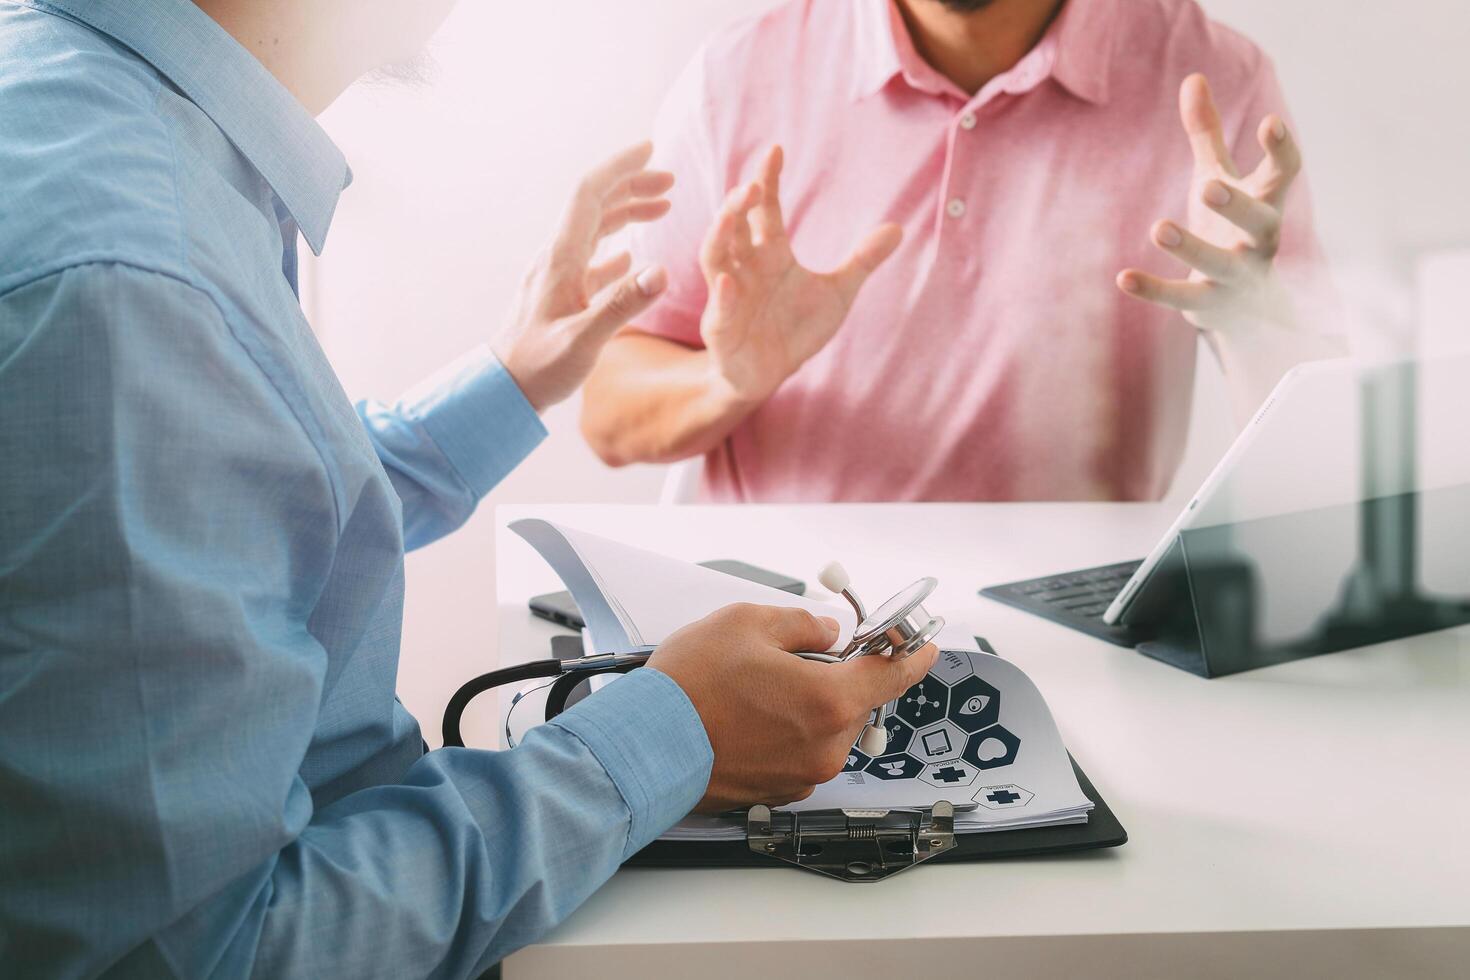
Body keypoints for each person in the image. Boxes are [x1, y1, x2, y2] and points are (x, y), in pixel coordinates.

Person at [0, 1, 937, 976]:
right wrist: (673, 732)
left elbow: (227, 520)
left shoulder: (98, 127)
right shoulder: (133, 284)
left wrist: (514, 377)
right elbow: (211, 953)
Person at [580, 0, 1340, 504]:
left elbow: (1332, 462)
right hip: (779, 633)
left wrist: (1254, 327)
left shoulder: (1217, 80)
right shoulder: (741, 73)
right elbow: (608, 415)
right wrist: (728, 381)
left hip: (1075, 627)